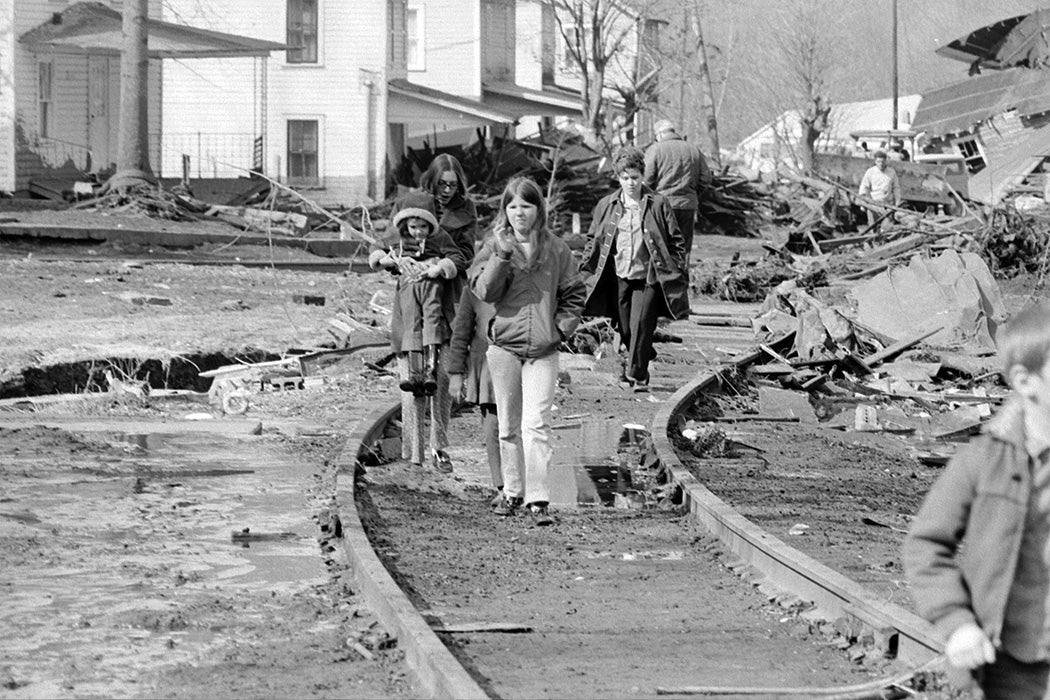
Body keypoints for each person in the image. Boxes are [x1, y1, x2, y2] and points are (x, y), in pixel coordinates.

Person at [903, 301, 1050, 700]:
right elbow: (925, 545)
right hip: (1014, 664)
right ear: (1025, 381)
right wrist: (957, 623)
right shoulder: (984, 461)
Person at [468, 177, 586, 526]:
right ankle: (512, 491)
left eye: (527, 205)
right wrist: (502, 255)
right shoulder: (493, 246)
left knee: (537, 423)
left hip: (543, 350)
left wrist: (560, 331)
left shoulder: (558, 249)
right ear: (505, 209)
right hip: (504, 348)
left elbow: (574, 295)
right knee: (507, 425)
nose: (520, 212)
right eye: (513, 206)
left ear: (539, 210)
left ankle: (538, 498)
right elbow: (484, 291)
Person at [582, 146, 690, 389]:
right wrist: (585, 265)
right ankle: (642, 354)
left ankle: (637, 376)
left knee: (641, 325)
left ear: (643, 176)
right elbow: (593, 238)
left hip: (649, 276)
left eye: (635, 177)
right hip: (619, 274)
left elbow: (676, 240)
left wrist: (677, 269)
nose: (630, 183)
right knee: (627, 330)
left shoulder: (658, 204)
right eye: (625, 178)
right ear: (618, 178)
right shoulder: (606, 205)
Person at [368, 191, 466, 397]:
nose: (418, 232)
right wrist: (384, 259)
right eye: (413, 227)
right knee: (410, 321)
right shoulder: (397, 237)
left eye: (423, 227)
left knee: (433, 319)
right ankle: (414, 373)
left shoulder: (440, 237)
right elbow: (377, 248)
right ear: (405, 225)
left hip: (432, 284)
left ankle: (430, 370)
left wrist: (439, 267)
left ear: (431, 225)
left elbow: (457, 257)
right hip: (408, 284)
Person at [446, 286, 502, 507]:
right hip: (485, 367)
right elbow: (461, 334)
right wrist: (456, 373)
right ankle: (503, 486)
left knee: (517, 431)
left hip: (517, 365)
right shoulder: (473, 290)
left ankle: (521, 486)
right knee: (492, 430)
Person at [643, 119, 711, 262]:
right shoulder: (694, 150)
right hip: (687, 205)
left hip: (662, 205)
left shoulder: (655, 149)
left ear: (660, 134)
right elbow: (706, 178)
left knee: (662, 245)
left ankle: (665, 280)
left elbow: (647, 179)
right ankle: (682, 278)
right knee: (683, 247)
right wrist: (693, 194)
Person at [857, 150, 901, 226]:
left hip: (887, 205)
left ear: (886, 161)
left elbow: (896, 188)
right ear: (875, 161)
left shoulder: (891, 172)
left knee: (886, 228)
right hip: (874, 204)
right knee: (872, 226)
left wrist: (897, 203)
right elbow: (864, 187)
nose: (881, 164)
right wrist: (864, 203)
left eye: (883, 162)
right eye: (878, 162)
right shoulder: (870, 172)